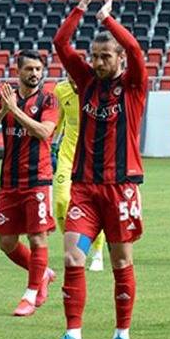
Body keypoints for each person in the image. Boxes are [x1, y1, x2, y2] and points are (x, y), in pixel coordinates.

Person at [46, 0, 148, 339]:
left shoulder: (134, 84)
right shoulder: (85, 80)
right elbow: (60, 42)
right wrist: (83, 4)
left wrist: (108, 21)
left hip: (121, 188)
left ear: (118, 59)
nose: (100, 62)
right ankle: (73, 335)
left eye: (107, 56)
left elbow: (136, 51)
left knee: (122, 260)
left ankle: (122, 333)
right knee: (73, 256)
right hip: (85, 188)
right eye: (96, 56)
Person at [0, 50, 58, 317]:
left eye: (39, 70)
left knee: (37, 237)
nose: (35, 74)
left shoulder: (48, 99)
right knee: (6, 242)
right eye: (29, 69)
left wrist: (14, 111)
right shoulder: (3, 98)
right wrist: (4, 111)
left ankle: (29, 296)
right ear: (18, 71)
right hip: (8, 182)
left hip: (37, 180)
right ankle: (43, 273)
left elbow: (44, 131)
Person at [54, 75, 106, 272]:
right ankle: (77, 245)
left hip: (93, 160)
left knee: (94, 208)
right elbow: (57, 122)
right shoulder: (60, 90)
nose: (76, 83)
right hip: (67, 158)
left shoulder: (99, 90)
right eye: (72, 78)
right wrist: (50, 147)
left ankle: (97, 252)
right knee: (61, 203)